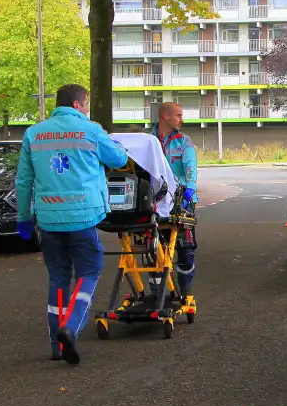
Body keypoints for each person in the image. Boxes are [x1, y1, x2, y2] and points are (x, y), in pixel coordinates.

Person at [15, 84, 129, 365]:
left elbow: (23, 181)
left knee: (58, 278)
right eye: (86, 103)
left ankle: (56, 343)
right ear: (78, 105)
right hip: (83, 216)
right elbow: (119, 158)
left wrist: (23, 219)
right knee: (89, 271)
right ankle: (73, 325)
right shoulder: (90, 130)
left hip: (49, 218)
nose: (87, 108)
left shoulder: (33, 133)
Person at [152, 101, 199, 295]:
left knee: (184, 248)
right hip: (155, 201)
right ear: (165, 116)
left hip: (182, 200)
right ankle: (158, 293)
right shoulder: (148, 140)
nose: (182, 119)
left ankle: (185, 291)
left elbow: (190, 167)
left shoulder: (183, 141)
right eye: (179, 115)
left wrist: (190, 189)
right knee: (155, 250)